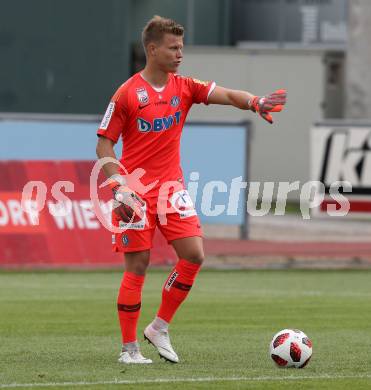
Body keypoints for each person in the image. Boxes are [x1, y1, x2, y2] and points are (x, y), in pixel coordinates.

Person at [96, 15, 286, 364]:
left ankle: (159, 327)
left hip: (172, 189)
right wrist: (118, 186)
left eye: (181, 47)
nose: (180, 54)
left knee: (194, 255)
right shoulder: (127, 94)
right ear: (152, 50)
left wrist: (255, 101)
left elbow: (227, 94)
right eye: (173, 48)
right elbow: (104, 146)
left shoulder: (183, 86)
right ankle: (129, 349)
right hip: (134, 193)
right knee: (137, 266)